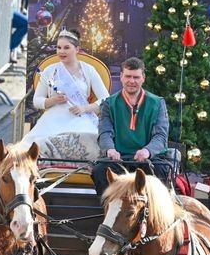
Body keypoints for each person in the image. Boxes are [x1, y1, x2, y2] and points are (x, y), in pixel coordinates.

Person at [21, 29, 109, 161]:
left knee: (90, 138)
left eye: (66, 48)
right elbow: (37, 101)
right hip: (53, 118)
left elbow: (106, 99)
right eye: (59, 47)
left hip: (80, 117)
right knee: (33, 144)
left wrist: (85, 108)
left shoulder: (89, 70)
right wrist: (53, 100)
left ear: (77, 49)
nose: (61, 51)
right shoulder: (49, 71)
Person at [91, 57, 171, 193]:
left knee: (159, 170)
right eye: (128, 76)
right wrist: (110, 149)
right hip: (119, 158)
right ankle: (109, 211)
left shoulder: (157, 103)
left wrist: (147, 151)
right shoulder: (109, 103)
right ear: (121, 76)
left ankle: (152, 212)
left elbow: (161, 136)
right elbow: (105, 132)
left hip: (148, 159)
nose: (131, 81)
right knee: (100, 171)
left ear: (143, 78)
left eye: (136, 77)